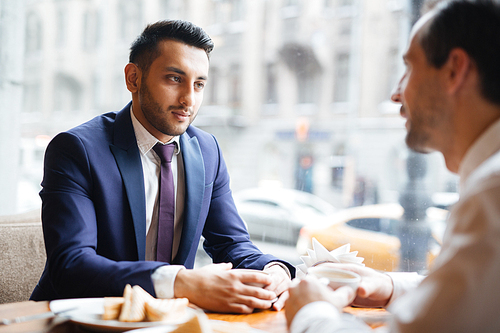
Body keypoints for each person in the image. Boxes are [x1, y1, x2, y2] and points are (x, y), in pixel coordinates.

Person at [30, 20, 294, 313]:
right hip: (77, 319)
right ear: (133, 79)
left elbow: (232, 244)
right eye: (174, 78)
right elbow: (72, 267)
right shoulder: (76, 150)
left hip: (168, 321)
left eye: (199, 84)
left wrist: (273, 270)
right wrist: (181, 282)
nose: (188, 100)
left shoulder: (208, 151)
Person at [285, 0, 500, 331]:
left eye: (410, 68)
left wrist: (310, 312)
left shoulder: (491, 194)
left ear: (455, 70)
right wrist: (390, 286)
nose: (397, 93)